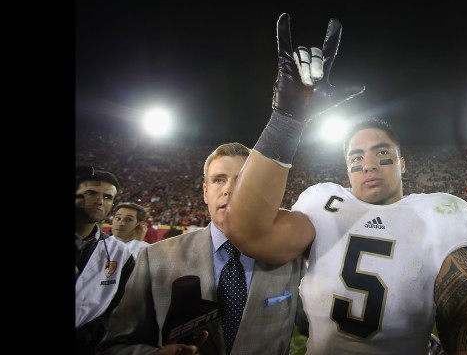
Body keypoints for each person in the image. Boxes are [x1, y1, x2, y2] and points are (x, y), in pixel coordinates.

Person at [224, 13, 467, 354]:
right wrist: (286, 121)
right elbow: (249, 233)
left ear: (402, 163)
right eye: (355, 158)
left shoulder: (437, 213)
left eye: (382, 154)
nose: (367, 164)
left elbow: (466, 320)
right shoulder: (324, 202)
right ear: (346, 169)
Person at [95, 142, 307, 355]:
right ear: (206, 193)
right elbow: (116, 345)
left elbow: (317, 325)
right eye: (218, 180)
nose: (229, 189)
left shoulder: (290, 257)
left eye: (243, 180)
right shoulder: (154, 258)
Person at [75, 166, 136, 355]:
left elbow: (118, 309)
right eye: (91, 192)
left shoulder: (119, 253)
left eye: (108, 197)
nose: (100, 201)